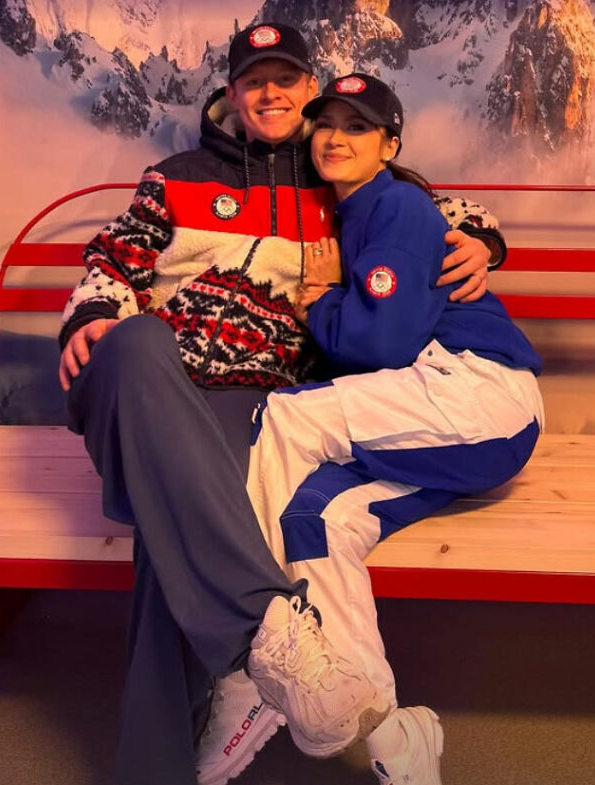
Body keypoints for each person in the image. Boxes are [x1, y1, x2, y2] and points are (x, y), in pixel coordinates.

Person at [57, 23, 508, 785]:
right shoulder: (174, 176)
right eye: (253, 80)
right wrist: (92, 312)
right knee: (134, 344)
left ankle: (158, 761)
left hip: (250, 396)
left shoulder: (335, 173)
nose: (269, 92)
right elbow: (113, 257)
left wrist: (482, 239)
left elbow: (432, 207)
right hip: (147, 381)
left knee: (178, 515)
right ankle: (268, 632)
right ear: (231, 94)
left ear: (308, 90)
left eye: (286, 79)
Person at [228, 73, 544, 785]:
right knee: (316, 520)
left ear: (389, 145)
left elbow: (382, 342)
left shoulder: (393, 202)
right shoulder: (342, 206)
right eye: (326, 124)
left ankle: (250, 652)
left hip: (474, 393)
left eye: (357, 126)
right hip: (434, 417)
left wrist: (322, 299)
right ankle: (392, 735)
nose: (335, 137)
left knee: (282, 417)